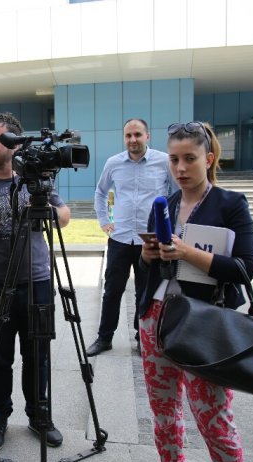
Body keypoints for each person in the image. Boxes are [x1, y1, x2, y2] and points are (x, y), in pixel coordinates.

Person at [138, 121, 253, 462]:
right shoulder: (166, 203)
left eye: (189, 159)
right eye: (174, 159)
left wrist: (188, 253)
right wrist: (149, 255)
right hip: (156, 320)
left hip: (204, 325)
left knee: (213, 418)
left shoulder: (230, 204)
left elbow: (245, 268)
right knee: (163, 415)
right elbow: (149, 266)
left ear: (208, 158)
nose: (180, 168)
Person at [0, 112, 69, 450]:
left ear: (14, 144)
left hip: (37, 282)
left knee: (38, 354)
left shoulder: (36, 180)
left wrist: (47, 204)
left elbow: (64, 217)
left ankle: (39, 415)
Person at [86, 118, 176, 357]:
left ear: (147, 136)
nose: (133, 140)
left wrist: (171, 227)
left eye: (137, 135)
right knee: (112, 290)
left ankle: (142, 339)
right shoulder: (114, 163)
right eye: (128, 136)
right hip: (120, 238)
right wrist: (104, 221)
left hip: (151, 239)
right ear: (124, 138)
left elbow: (176, 194)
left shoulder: (164, 162)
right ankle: (104, 338)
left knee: (145, 291)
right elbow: (100, 192)